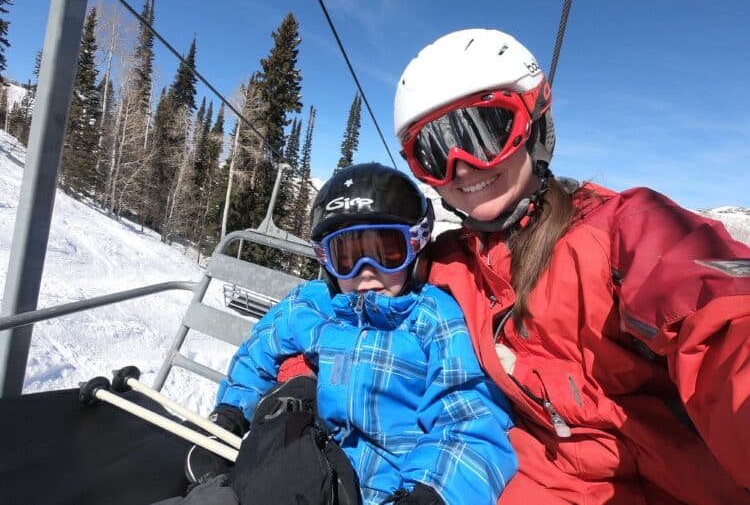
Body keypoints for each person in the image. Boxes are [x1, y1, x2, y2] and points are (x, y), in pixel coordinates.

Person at [393, 28, 750, 504]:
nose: (460, 168)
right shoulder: (448, 266)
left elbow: (722, 317)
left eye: (484, 133)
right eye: (434, 152)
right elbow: (352, 311)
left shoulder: (626, 229)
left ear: (534, 125)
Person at [198, 163, 517, 505]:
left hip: (389, 492)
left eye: (386, 252)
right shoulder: (311, 305)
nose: (366, 272)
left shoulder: (434, 319)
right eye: (347, 256)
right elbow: (257, 354)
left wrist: (431, 494)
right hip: (305, 470)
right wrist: (231, 413)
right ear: (326, 260)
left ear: (416, 246)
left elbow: (469, 418)